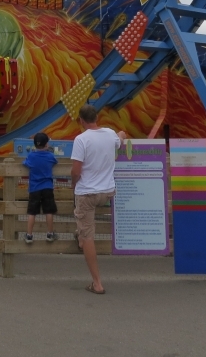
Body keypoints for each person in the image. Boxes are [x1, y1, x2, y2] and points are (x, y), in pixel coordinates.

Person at [71, 104, 128, 294]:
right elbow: (120, 140)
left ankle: (97, 283)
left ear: (81, 121)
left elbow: (76, 170)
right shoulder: (110, 134)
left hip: (87, 193)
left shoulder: (81, 139)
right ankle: (80, 234)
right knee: (84, 225)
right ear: (97, 118)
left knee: (88, 236)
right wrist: (121, 134)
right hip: (107, 191)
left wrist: (73, 182)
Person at [23, 132, 58, 243]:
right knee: (49, 211)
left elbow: (25, 163)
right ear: (46, 144)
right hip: (47, 187)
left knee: (32, 212)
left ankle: (29, 235)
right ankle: (50, 234)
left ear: (35, 145)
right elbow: (55, 161)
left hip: (34, 188)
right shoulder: (50, 156)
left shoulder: (31, 156)